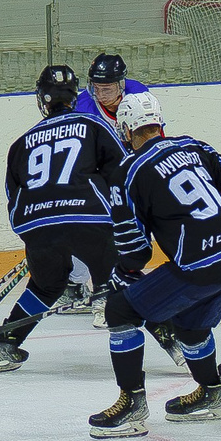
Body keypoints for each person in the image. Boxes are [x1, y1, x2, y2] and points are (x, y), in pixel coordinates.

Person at [88, 90, 221, 438]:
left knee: (121, 312)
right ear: (159, 124)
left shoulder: (127, 172)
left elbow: (137, 252)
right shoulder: (194, 147)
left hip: (197, 265)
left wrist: (122, 276)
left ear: (125, 130)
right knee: (190, 328)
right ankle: (211, 392)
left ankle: (131, 403)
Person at [0, 65, 128, 375]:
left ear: (43, 99)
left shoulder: (22, 142)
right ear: (74, 97)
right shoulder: (92, 124)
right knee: (122, 280)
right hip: (88, 219)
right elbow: (122, 172)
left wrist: (35, 235)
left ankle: (6, 344)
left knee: (44, 286)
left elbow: (14, 197)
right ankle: (174, 343)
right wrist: (121, 219)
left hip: (39, 228)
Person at [58, 52, 152, 316]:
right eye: (96, 87)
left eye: (107, 88)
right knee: (89, 230)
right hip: (98, 176)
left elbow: (152, 136)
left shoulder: (139, 95)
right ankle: (78, 284)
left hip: (132, 171)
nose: (100, 94)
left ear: (121, 84)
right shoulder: (83, 106)